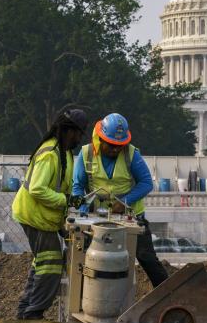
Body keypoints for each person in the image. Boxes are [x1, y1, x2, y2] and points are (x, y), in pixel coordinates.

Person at [72, 113, 169, 287]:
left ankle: (168, 295)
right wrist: (83, 211)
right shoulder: (86, 153)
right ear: (100, 139)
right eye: (111, 145)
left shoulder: (131, 154)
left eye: (120, 145)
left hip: (131, 216)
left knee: (147, 258)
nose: (116, 149)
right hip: (97, 217)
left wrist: (125, 201)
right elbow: (77, 185)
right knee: (89, 259)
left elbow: (146, 183)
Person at [13, 109, 89, 320]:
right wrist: (66, 200)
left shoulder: (63, 153)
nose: (80, 139)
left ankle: (26, 310)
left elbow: (59, 187)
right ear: (69, 131)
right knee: (51, 264)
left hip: (43, 218)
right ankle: (33, 313)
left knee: (43, 262)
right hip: (34, 217)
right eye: (79, 134)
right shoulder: (50, 153)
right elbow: (37, 188)